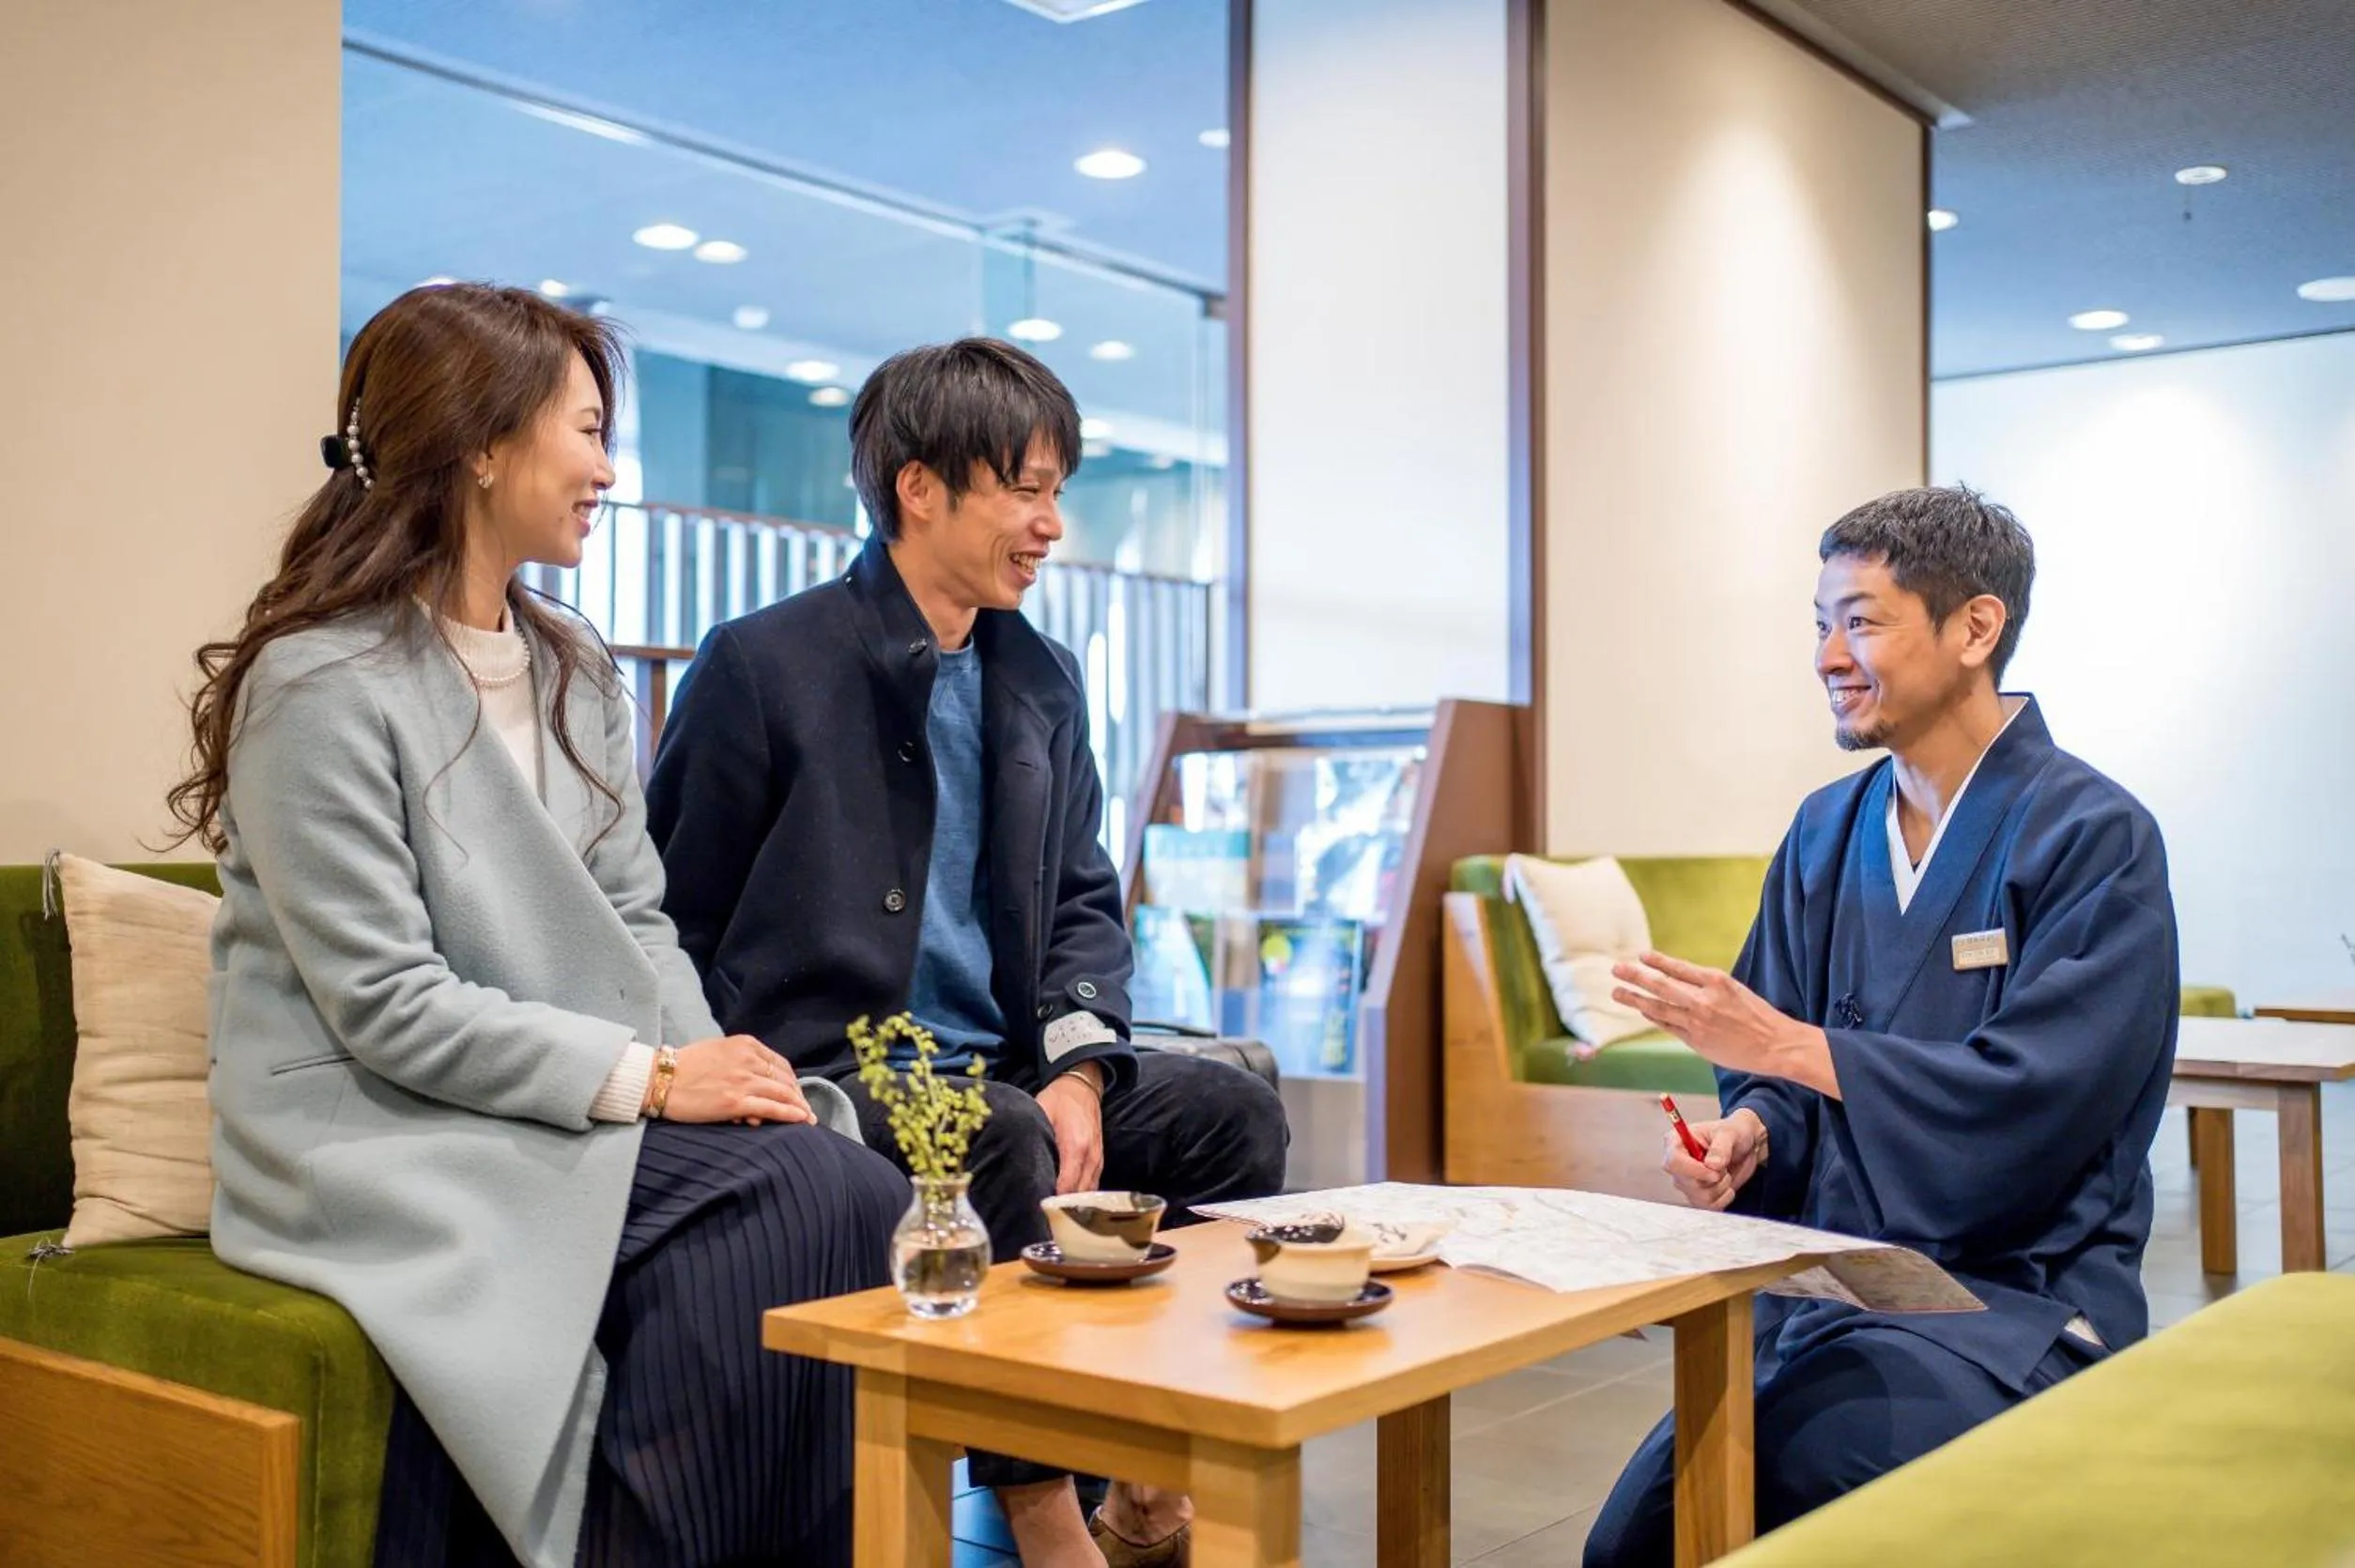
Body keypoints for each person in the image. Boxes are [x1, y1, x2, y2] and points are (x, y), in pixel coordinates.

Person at [174, 284, 907, 1568]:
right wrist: (659, 1079)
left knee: (840, 1176)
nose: (608, 470)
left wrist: (716, 1071)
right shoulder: (319, 680)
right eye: (588, 431)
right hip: (376, 1123)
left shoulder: (572, 669)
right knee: (787, 1201)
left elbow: (635, 915)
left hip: (542, 1095)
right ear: (481, 442)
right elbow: (386, 1002)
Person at [647, 337, 1290, 1567]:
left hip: (1007, 1060)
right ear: (919, 488)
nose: (1052, 523)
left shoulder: (1042, 677)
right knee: (994, 1131)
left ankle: (1154, 1471)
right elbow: (672, 911)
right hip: (834, 1065)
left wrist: (1083, 1069)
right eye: (1025, 489)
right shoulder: (765, 663)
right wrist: (707, 1070)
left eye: (1058, 490)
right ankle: (1041, 1512)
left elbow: (1085, 902)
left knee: (1230, 1113)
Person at [1582, 486, 2179, 1565]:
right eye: (1821, 623)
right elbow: (1778, 1081)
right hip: (1835, 1288)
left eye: (1860, 621)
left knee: (1799, 1477)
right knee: (1634, 1539)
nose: (1827, 656)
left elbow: (2036, 1100)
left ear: (1975, 627)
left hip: (2015, 1299)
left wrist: (1785, 1046)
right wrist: (1752, 1132)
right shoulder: (1825, 829)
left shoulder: (2097, 836)